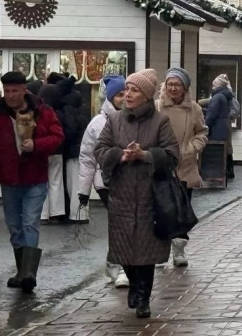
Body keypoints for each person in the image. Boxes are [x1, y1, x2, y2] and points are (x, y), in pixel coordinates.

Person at [94, 69, 179, 319]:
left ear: (147, 95)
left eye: (134, 90)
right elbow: (100, 148)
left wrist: (145, 155)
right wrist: (120, 156)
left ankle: (143, 298)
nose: (128, 94)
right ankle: (134, 284)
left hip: (149, 196)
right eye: (126, 90)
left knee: (145, 250)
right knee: (123, 248)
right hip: (120, 195)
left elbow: (172, 154)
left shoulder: (160, 121)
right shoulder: (114, 120)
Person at [0, 72, 64, 293]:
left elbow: (57, 137)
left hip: (35, 178)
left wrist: (36, 145)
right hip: (8, 178)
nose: (10, 95)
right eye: (6, 91)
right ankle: (21, 271)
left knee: (29, 223)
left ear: (24, 90)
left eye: (14, 91)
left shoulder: (42, 111)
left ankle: (29, 273)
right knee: (14, 226)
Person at [77, 76, 129, 288]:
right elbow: (87, 158)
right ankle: (121, 267)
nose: (124, 98)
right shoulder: (97, 124)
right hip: (105, 182)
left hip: (131, 180)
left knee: (126, 223)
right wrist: (84, 191)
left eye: (126, 93)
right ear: (110, 97)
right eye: (119, 94)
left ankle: (114, 262)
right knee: (122, 223)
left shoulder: (136, 120)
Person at [156, 67, 208, 268]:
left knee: (182, 211)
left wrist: (192, 148)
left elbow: (202, 132)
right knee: (161, 210)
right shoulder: (157, 107)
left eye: (177, 84)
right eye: (170, 84)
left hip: (185, 167)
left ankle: (179, 249)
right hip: (162, 167)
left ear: (185, 87)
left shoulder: (194, 109)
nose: (173, 88)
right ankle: (160, 251)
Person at [55, 75, 91, 223]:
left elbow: (71, 130)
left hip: (72, 151)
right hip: (82, 149)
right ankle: (81, 213)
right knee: (80, 183)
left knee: (73, 183)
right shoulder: (80, 109)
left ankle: (77, 214)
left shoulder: (67, 109)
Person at [37, 84, 67, 223]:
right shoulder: (59, 112)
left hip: (41, 150)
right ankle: (56, 213)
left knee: (41, 182)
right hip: (57, 151)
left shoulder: (38, 112)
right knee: (56, 181)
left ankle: (43, 214)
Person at [205, 74, 234, 170]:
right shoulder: (226, 96)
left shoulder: (217, 97)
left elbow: (212, 114)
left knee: (214, 153)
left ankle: (215, 173)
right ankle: (227, 172)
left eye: (213, 85)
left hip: (215, 129)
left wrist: (205, 126)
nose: (212, 87)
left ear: (218, 86)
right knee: (225, 152)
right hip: (224, 128)